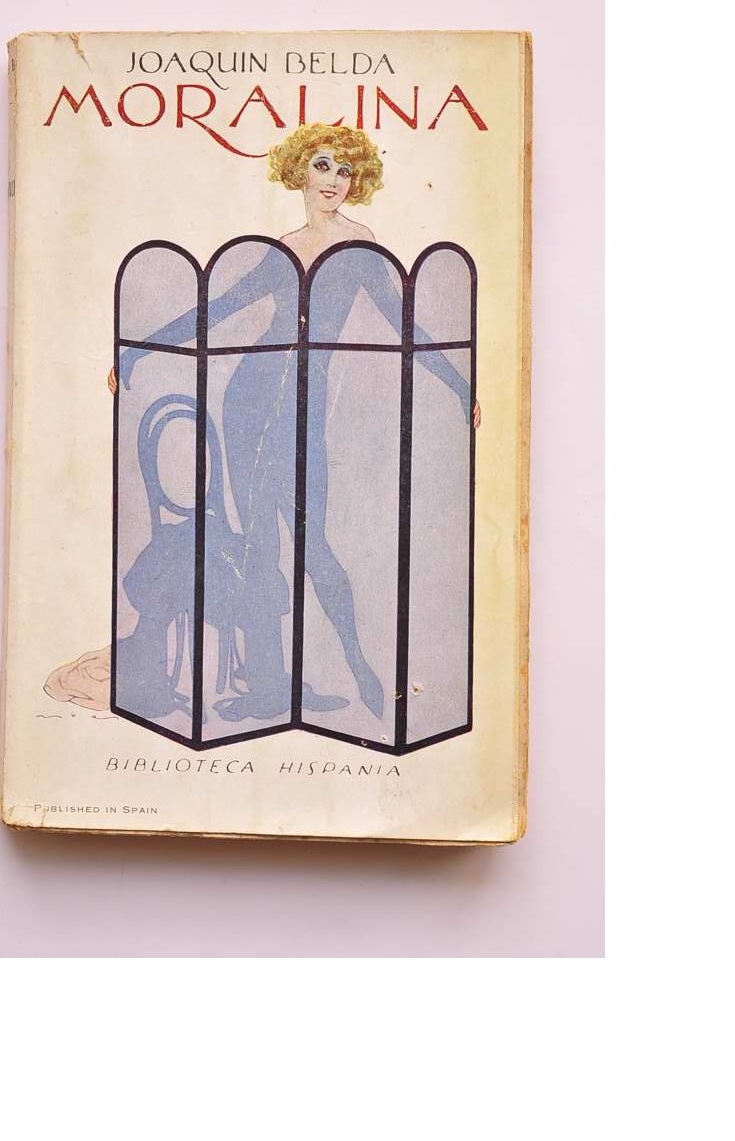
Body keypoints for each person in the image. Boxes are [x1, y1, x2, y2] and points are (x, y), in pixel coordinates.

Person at [110, 123, 479, 723]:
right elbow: (221, 307)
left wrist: (462, 387)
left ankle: (361, 669)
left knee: (315, 546)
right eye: (323, 165)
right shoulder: (283, 248)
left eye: (345, 170)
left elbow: (404, 324)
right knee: (260, 548)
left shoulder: (359, 248)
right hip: (250, 401)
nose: (334, 180)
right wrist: (137, 350)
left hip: (303, 407)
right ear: (300, 172)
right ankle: (269, 686)